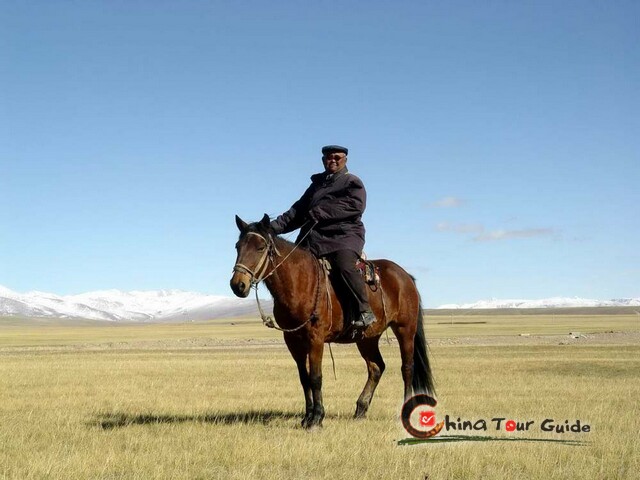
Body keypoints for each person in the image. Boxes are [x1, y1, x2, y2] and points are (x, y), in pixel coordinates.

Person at [270, 145, 376, 329]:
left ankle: (364, 310)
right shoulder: (316, 186)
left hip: (344, 236)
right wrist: (269, 229)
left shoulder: (352, 182)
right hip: (314, 239)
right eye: (329, 157)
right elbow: (296, 213)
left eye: (337, 157)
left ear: (345, 160)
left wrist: (321, 212)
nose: (332, 160)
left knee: (344, 265)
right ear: (323, 160)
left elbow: (354, 206)